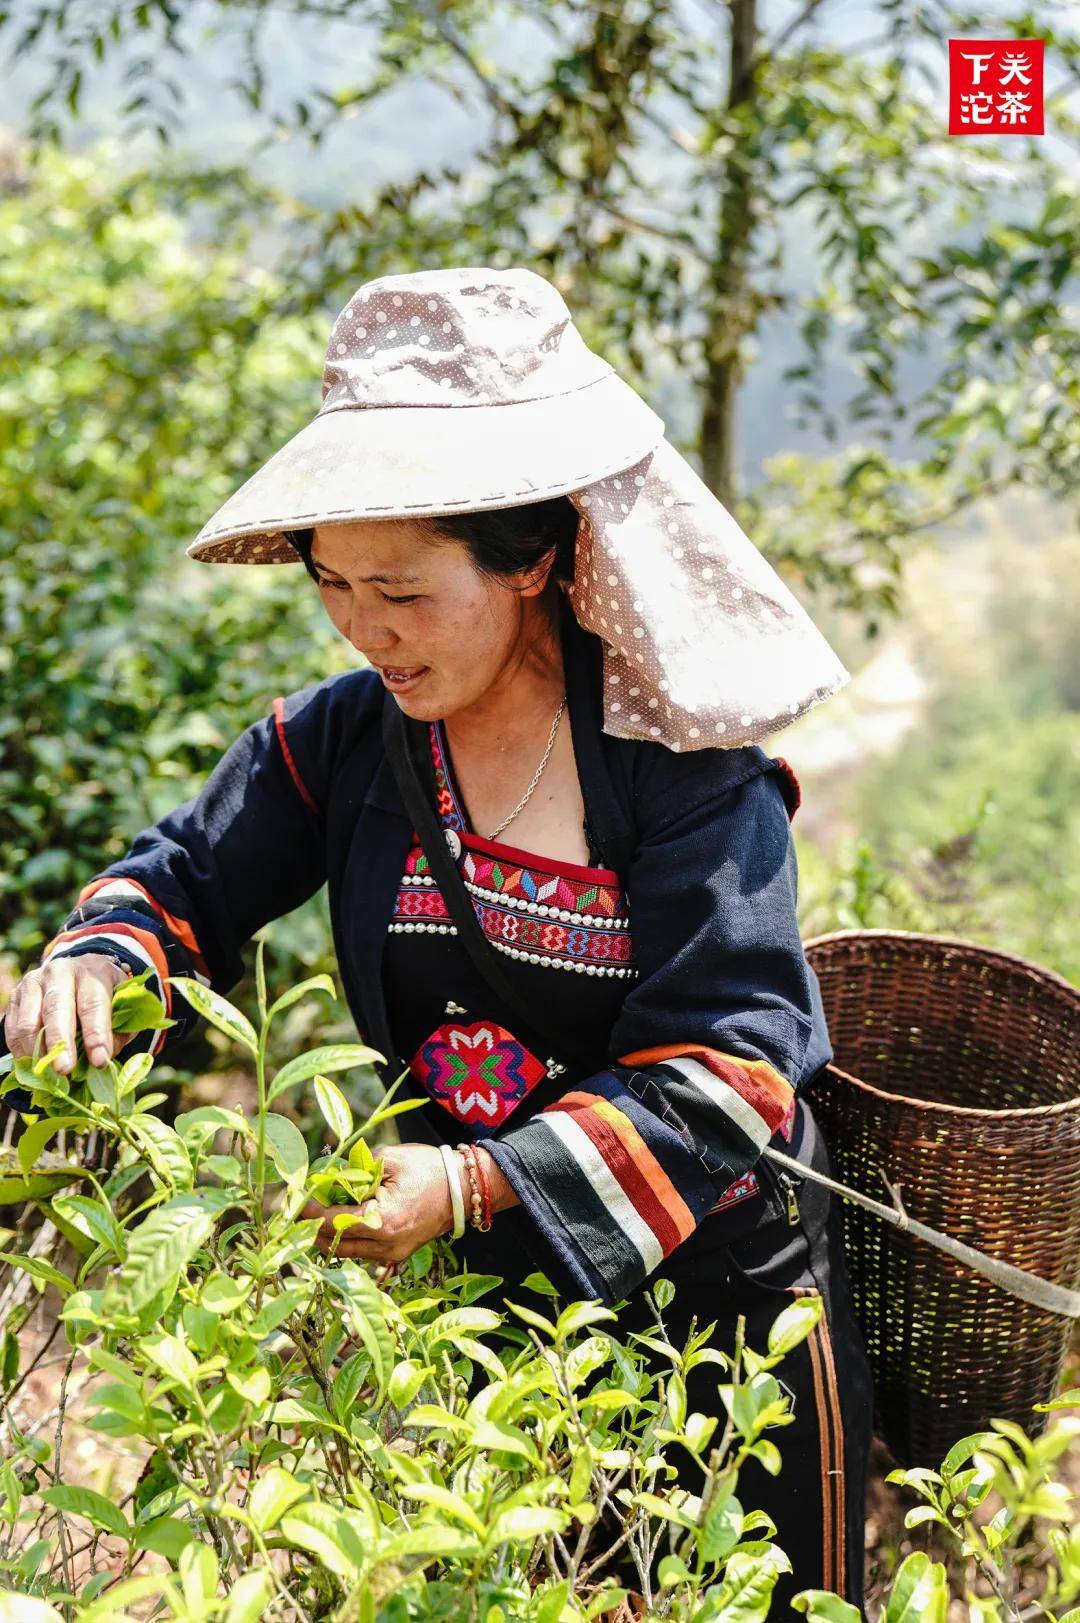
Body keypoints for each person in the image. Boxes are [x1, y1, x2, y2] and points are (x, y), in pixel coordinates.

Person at [1, 266, 874, 1614]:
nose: (365, 628)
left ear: (532, 559)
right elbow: (186, 874)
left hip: (729, 1309)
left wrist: (467, 1187)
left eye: (401, 589)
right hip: (498, 1306)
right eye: (335, 584)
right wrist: (101, 956)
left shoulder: (683, 766)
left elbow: (736, 1062)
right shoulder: (347, 743)